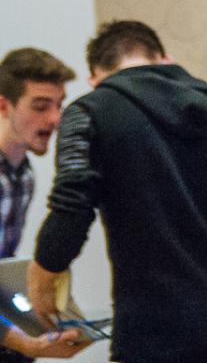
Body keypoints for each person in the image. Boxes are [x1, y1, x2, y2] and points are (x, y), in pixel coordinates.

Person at [27, 20, 207, 363]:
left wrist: (43, 274)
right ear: (164, 60)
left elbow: (72, 205)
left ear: (95, 78)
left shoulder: (89, 111)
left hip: (154, 336)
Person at [0, 49, 87, 359]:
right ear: (3, 106)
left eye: (59, 105)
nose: (55, 119)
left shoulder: (24, 174)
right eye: (40, 106)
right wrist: (23, 342)